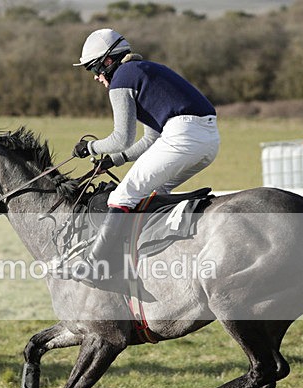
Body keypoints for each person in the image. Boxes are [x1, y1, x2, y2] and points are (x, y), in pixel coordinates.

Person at [70, 28, 220, 283]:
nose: (96, 78)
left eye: (94, 69)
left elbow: (122, 138)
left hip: (182, 136)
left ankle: (95, 266)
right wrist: (114, 160)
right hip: (208, 140)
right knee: (154, 193)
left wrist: (90, 149)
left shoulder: (121, 79)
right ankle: (152, 261)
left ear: (108, 61)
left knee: (122, 196)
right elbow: (150, 140)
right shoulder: (144, 71)